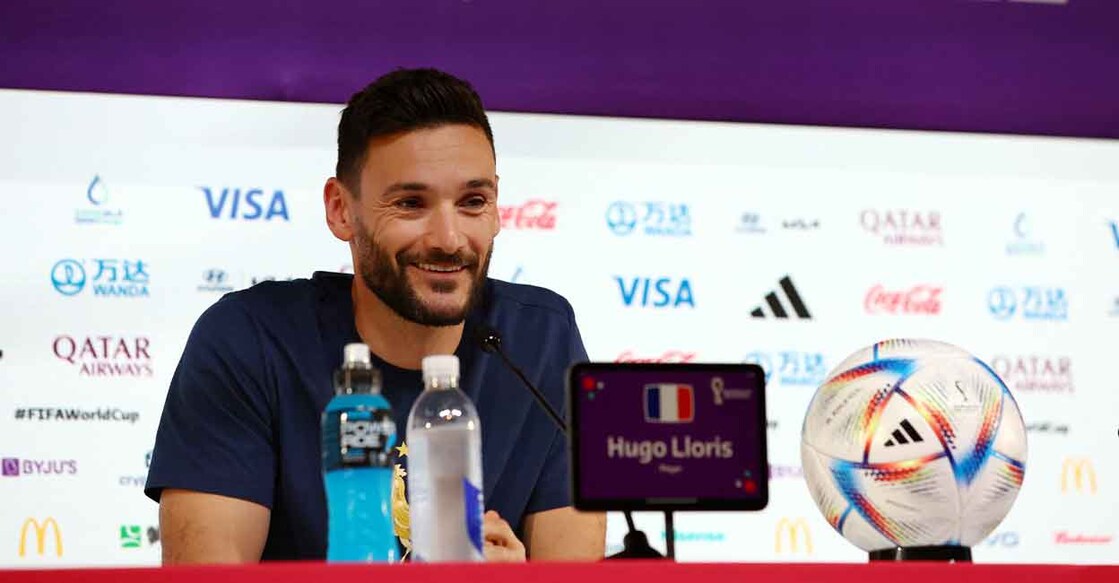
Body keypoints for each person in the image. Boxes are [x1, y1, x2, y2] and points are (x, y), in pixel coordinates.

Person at [145, 68, 605, 564]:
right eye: (410, 203)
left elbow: (574, 571)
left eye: (473, 202)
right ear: (341, 210)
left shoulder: (542, 339)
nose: (449, 239)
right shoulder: (247, 340)